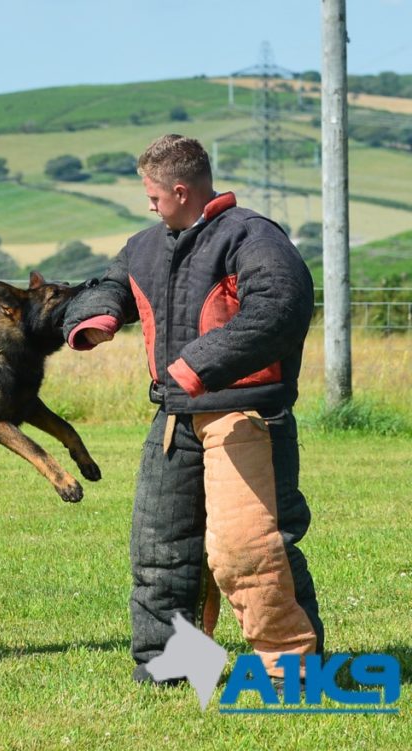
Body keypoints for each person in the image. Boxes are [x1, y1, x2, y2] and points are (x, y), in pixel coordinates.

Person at [62, 134, 323, 685]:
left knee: (248, 550)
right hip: (173, 421)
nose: (150, 206)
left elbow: (281, 307)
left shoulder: (253, 237)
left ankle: (294, 671)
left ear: (180, 191)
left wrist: (198, 364)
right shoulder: (145, 246)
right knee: (161, 551)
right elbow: (109, 284)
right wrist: (97, 316)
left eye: (153, 196)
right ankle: (170, 666)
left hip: (245, 416)